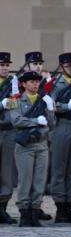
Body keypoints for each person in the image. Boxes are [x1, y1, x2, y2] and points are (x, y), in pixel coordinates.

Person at [8, 70, 55, 227]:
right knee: (25, 180)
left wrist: (50, 109)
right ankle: (24, 214)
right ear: (23, 84)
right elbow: (16, 120)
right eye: (31, 81)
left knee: (39, 180)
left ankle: (35, 211)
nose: (35, 84)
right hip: (25, 146)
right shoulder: (16, 100)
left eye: (37, 81)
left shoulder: (44, 100)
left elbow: (52, 124)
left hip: (42, 144)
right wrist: (36, 120)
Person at [48, 52, 71, 224]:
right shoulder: (56, 83)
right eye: (69, 65)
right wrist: (65, 106)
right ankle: (60, 207)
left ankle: (69, 205)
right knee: (59, 169)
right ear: (62, 67)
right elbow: (50, 104)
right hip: (62, 125)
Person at [0, 52, 17, 224]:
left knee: (6, 172)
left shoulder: (12, 83)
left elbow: (15, 106)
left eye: (7, 65)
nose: (5, 68)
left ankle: (2, 208)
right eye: (2, 65)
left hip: (8, 131)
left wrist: (12, 99)